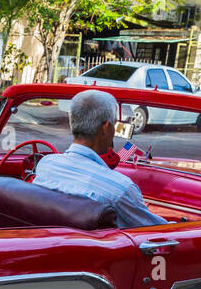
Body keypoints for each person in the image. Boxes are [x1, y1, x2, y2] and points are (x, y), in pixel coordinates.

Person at [32, 90, 167, 229]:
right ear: (106, 128)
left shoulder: (46, 165)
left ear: (72, 122)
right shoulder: (120, 189)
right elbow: (159, 231)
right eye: (114, 125)